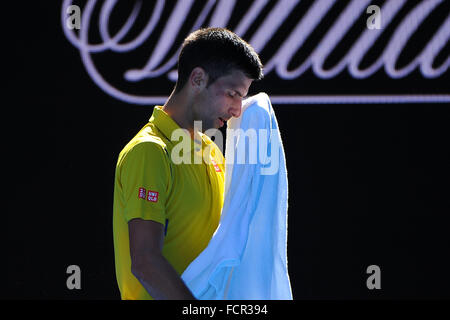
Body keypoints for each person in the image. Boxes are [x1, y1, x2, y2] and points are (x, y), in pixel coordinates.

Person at [112, 27, 264, 300]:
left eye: (242, 97)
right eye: (232, 94)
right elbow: (145, 262)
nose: (237, 110)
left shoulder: (213, 153)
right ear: (197, 79)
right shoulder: (149, 151)